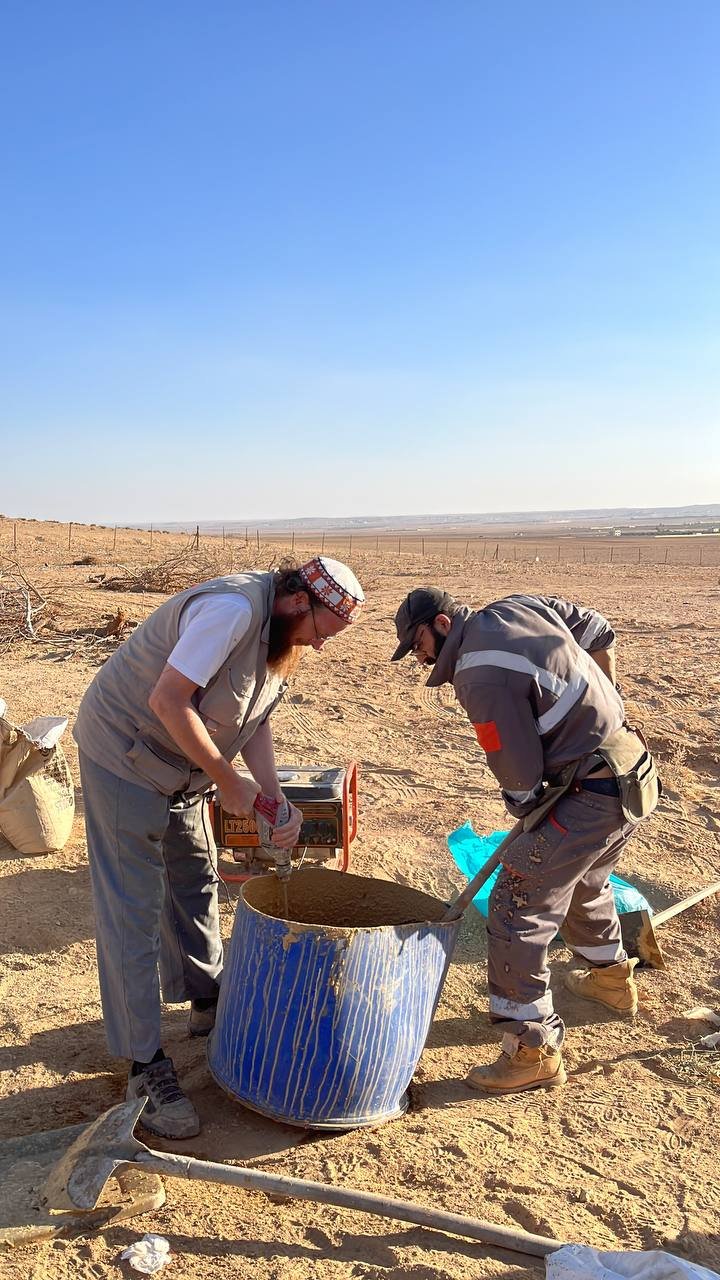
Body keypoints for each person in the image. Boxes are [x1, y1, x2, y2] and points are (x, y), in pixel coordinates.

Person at [74, 556, 364, 1137]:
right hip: (123, 758)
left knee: (195, 880)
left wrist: (274, 797)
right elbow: (168, 701)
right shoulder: (229, 612)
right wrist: (228, 780)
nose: (319, 645)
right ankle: (143, 1066)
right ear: (300, 602)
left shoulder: (281, 638)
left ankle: (208, 1003)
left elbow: (252, 721)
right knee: (133, 910)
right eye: (320, 632)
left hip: (182, 769)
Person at [391, 586, 658, 1095]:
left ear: (442, 625)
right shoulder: (517, 607)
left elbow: (516, 770)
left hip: (592, 790)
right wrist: (607, 709)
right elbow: (599, 628)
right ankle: (610, 982)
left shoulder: (476, 673)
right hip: (630, 768)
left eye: (418, 643)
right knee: (584, 880)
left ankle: (532, 1051)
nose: (420, 657)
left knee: (518, 901)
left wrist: (526, 804)